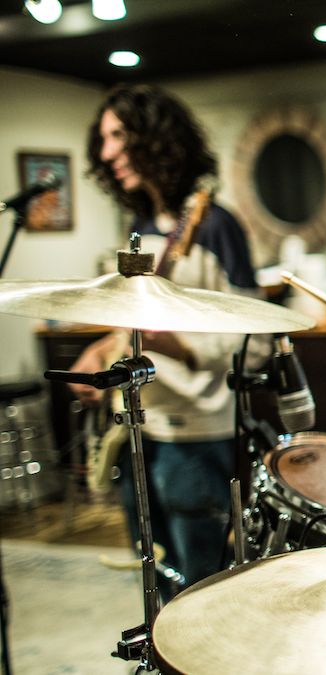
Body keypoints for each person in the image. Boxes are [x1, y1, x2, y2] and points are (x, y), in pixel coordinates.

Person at [68, 84, 264, 595]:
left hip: (195, 434)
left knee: (202, 583)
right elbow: (137, 316)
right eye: (103, 140)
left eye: (118, 136)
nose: (107, 153)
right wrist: (104, 347)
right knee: (153, 574)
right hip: (139, 427)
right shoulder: (139, 226)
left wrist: (178, 346)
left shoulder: (217, 228)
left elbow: (256, 341)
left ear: (155, 139)